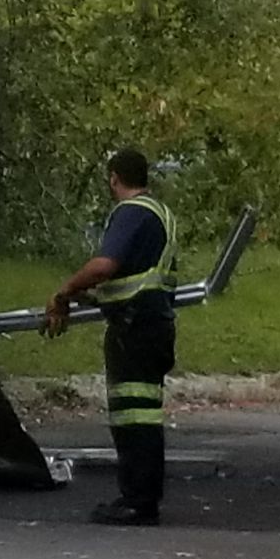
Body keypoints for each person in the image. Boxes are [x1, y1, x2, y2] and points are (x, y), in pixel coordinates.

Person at [43, 149, 178, 526]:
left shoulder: (130, 212)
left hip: (134, 331)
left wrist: (66, 290)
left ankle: (137, 502)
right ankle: (142, 498)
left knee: (132, 420)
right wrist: (96, 298)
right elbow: (137, 277)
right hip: (152, 325)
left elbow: (105, 265)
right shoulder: (159, 212)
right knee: (144, 418)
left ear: (114, 177)